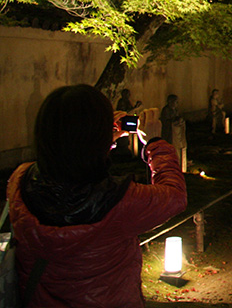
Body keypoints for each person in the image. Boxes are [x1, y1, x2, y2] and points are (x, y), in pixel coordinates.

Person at [5, 84, 187, 307]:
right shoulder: (119, 201)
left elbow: (69, 155)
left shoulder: (20, 181)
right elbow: (175, 195)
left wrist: (103, 137)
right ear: (95, 137)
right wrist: (156, 144)